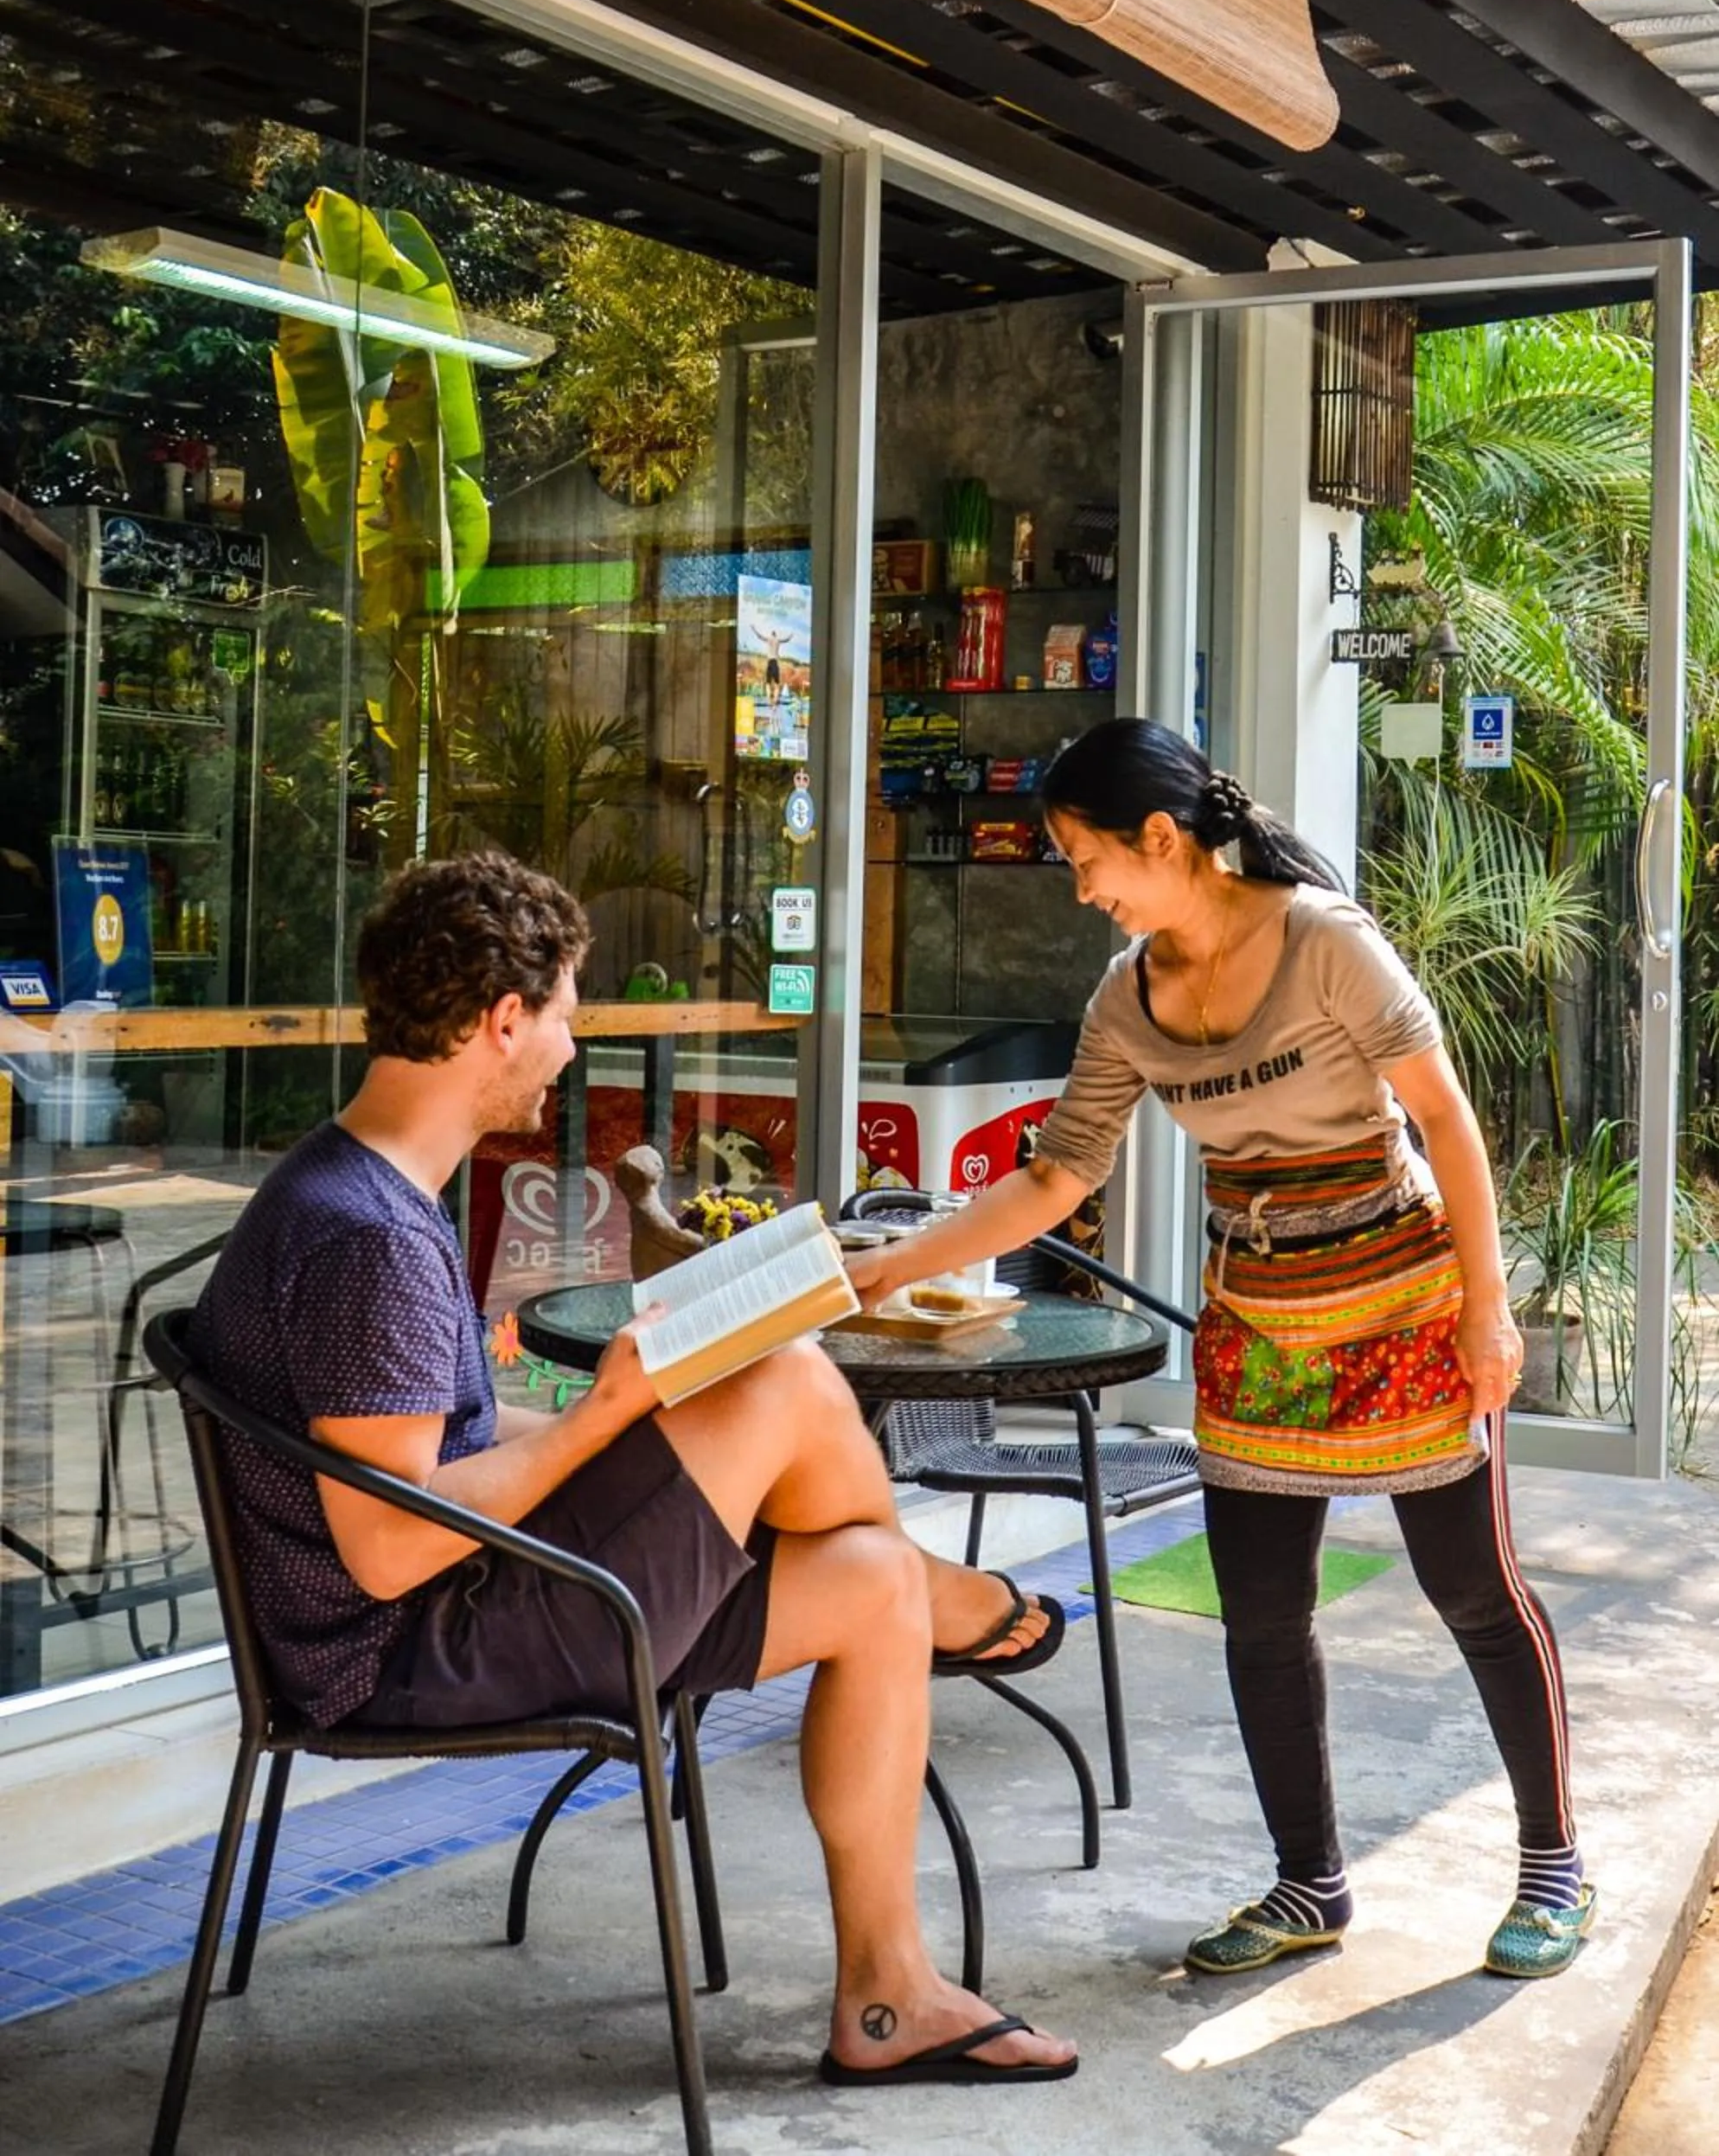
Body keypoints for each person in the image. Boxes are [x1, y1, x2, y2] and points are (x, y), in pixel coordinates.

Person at [190, 850, 1077, 2088]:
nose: (568, 1045)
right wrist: (606, 1418)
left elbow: (425, 1464)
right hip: (408, 1655)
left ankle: (888, 1998)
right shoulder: (366, 1239)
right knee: (787, 1381)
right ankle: (961, 1604)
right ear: (503, 1021)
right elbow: (390, 1547)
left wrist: (627, 1406)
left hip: (457, 1609)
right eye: (563, 1014)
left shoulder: (357, 1191)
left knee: (866, 1577)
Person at [846, 718, 1591, 1984]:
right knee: (1259, 1612)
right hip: (1257, 1320)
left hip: (1403, 1306)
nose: (1081, 890)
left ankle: (1553, 1866)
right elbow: (1052, 1179)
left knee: (1472, 1589)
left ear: (1162, 838)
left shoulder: (1326, 944)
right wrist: (885, 1268)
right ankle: (1310, 1886)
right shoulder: (1126, 1000)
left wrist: (1488, 1306)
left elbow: (1448, 1124)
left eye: (1088, 859)